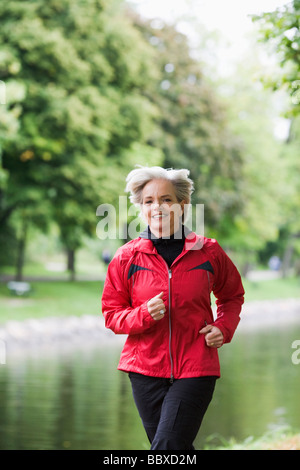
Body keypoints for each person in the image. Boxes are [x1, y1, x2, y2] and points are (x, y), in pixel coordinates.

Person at [101, 166, 244, 450]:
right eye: (149, 201)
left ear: (182, 204)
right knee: (174, 448)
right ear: (141, 208)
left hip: (196, 367)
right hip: (143, 371)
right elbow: (112, 315)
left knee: (166, 445)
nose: (158, 207)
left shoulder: (208, 252)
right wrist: (143, 314)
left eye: (166, 199)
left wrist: (223, 328)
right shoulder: (126, 257)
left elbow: (232, 296)